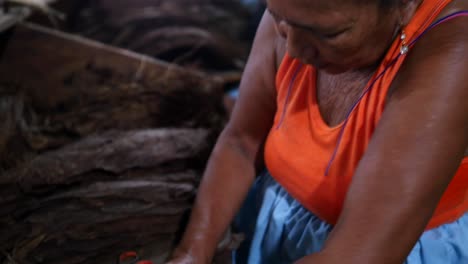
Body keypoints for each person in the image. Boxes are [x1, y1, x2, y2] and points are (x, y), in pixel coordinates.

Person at [167, 0, 468, 263]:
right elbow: (241, 143)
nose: (294, 50)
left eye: (329, 33)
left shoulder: (453, 55)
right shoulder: (298, 11)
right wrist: (191, 253)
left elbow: (359, 255)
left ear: (405, 4)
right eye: (279, 19)